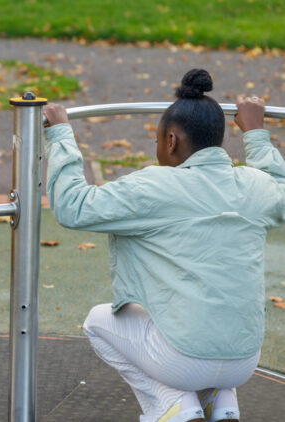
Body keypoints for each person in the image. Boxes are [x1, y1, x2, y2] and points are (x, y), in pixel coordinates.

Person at [42, 68, 284, 422]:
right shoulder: (253, 185)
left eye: (157, 141)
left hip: (181, 360)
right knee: (197, 320)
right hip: (244, 360)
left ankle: (173, 404)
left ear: (171, 140)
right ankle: (220, 399)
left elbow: (73, 206)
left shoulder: (153, 186)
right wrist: (258, 135)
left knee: (98, 323)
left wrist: (61, 133)